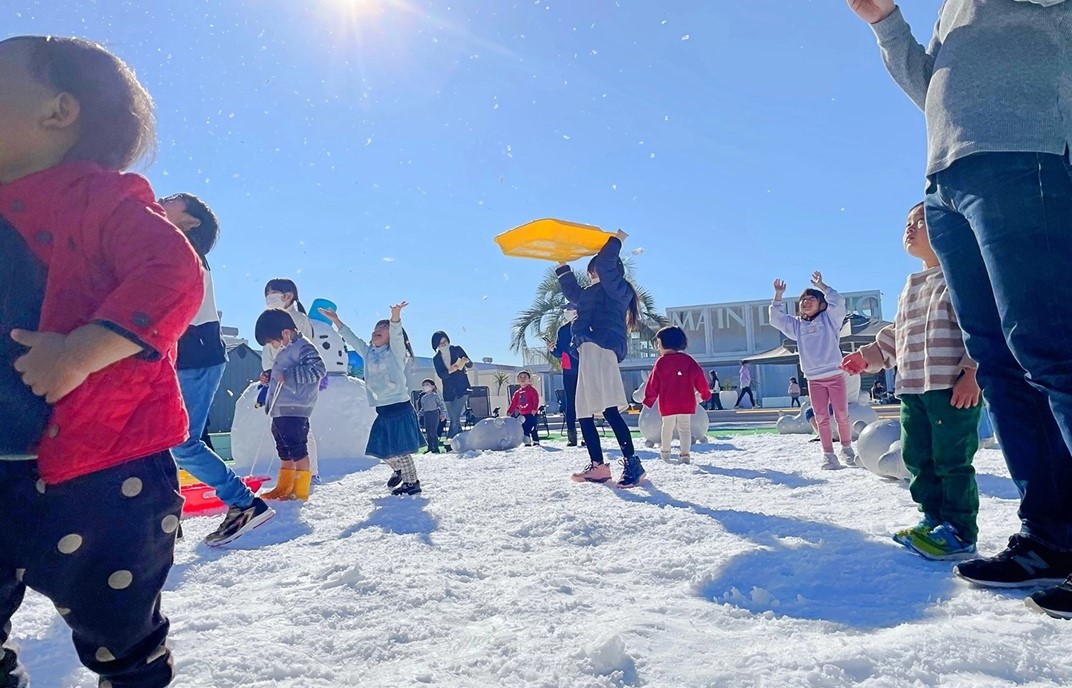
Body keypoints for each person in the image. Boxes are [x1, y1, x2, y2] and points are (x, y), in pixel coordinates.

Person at [846, 0, 1072, 614]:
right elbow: (935, 88)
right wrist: (885, 21)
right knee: (1000, 364)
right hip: (946, 180)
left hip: (1025, 153)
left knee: (1053, 352)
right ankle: (1052, 539)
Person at [0, 35, 204, 687]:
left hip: (102, 475)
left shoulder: (101, 201)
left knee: (121, 635)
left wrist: (79, 352)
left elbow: (172, 273)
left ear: (59, 112)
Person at [843, 201, 982, 560]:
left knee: (951, 459)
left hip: (950, 389)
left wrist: (972, 373)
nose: (910, 227)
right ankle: (932, 519)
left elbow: (981, 328)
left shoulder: (962, 277)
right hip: (912, 390)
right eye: (908, 222)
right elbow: (896, 335)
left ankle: (959, 531)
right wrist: (868, 356)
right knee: (918, 457)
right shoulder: (909, 286)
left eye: (921, 221)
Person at [161, 193, 274, 546]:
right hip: (187, 356)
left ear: (191, 221)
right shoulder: (175, 247)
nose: (163, 198)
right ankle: (166, 515)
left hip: (196, 356)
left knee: (183, 444)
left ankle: (244, 502)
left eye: (173, 199)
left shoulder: (184, 251)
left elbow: (173, 308)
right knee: (161, 441)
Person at [557, 230, 647, 488]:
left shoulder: (617, 290)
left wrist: (617, 240)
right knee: (584, 411)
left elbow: (607, 265)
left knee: (609, 409)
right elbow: (572, 292)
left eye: (593, 269)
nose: (591, 274)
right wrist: (562, 266)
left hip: (602, 349)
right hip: (587, 352)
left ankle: (632, 463)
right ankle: (598, 466)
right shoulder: (590, 293)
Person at [321, 304, 425, 495]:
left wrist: (395, 317)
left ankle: (412, 483)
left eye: (383, 329)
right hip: (382, 409)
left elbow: (396, 335)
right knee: (378, 446)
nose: (377, 330)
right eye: (375, 328)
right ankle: (399, 470)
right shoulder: (368, 352)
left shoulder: (395, 353)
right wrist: (336, 321)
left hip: (399, 407)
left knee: (401, 449)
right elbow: (352, 339)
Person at [770, 272, 856, 470]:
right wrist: (778, 295)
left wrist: (822, 286)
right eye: (802, 300)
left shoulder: (829, 319)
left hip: (834, 374)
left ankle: (846, 448)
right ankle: (828, 454)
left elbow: (838, 301)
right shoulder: (797, 325)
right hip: (813, 378)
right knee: (821, 417)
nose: (806, 302)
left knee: (841, 413)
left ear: (821, 304)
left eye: (811, 299)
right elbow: (776, 319)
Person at [255, 309, 326, 502]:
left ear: (285, 332)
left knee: (297, 449)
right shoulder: (288, 349)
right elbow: (282, 372)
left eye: (272, 341)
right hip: (281, 409)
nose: (273, 346)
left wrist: (289, 375)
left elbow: (318, 369)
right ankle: (284, 486)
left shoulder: (303, 346)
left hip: (295, 408)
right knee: (284, 449)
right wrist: (270, 375)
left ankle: (300, 489)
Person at [259, 278, 319, 480]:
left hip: (296, 393)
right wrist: (268, 374)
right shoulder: (272, 323)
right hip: (279, 393)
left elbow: (312, 361)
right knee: (282, 437)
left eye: (273, 293)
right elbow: (273, 357)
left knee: (299, 437)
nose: (269, 298)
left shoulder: (299, 324)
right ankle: (287, 480)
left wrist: (291, 374)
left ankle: (307, 478)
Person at [642, 327, 711, 463]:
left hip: (668, 402)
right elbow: (700, 378)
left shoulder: (661, 362)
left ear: (665, 343)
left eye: (658, 343)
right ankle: (685, 455)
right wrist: (705, 393)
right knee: (684, 428)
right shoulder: (688, 360)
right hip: (686, 402)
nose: (658, 347)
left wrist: (649, 399)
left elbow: (653, 383)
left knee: (667, 427)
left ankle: (665, 452)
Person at [431, 331, 473, 445]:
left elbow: (470, 364)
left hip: (462, 388)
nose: (443, 344)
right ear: (436, 346)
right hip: (448, 391)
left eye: (445, 341)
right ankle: (462, 443)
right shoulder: (436, 359)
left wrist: (466, 361)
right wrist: (450, 370)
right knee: (455, 419)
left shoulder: (457, 349)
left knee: (454, 418)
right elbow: (441, 375)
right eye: (440, 343)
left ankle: (450, 442)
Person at [550, 304, 580, 445]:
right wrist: (552, 349)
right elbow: (559, 352)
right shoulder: (563, 330)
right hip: (569, 370)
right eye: (566, 310)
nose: (567, 312)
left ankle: (588, 434)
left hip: (584, 368)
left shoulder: (585, 326)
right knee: (570, 402)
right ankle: (571, 434)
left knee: (586, 401)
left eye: (570, 309)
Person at [507, 371, 542, 446]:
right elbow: (513, 403)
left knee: (532, 428)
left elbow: (535, 400)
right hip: (522, 414)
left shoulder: (532, 390)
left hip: (531, 413)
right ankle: (527, 442)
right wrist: (509, 411)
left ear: (529, 380)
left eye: (525, 377)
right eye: (520, 377)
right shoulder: (517, 393)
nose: (522, 378)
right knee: (524, 428)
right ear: (518, 380)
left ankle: (536, 441)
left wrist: (534, 409)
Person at [417, 378, 446, 454]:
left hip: (434, 414)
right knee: (428, 431)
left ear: (433, 386)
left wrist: (442, 414)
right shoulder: (423, 398)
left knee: (433, 431)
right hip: (427, 415)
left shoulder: (435, 396)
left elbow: (441, 405)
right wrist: (418, 415)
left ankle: (435, 447)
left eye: (427, 385)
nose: (425, 386)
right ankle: (429, 447)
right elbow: (423, 408)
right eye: (424, 385)